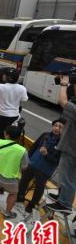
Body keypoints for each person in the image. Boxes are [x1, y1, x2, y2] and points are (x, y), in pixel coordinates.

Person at [18, 119, 65, 213]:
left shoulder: (63, 144)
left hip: (45, 170)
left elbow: (57, 161)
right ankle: (20, 196)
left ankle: (32, 204)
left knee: (39, 187)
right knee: (24, 180)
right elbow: (34, 147)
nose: (57, 128)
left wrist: (47, 155)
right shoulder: (45, 135)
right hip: (33, 163)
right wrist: (27, 160)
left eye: (60, 127)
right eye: (55, 125)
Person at [46, 75, 75, 214]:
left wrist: (64, 84)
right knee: (70, 177)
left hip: (72, 149)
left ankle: (64, 203)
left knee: (66, 177)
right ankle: (63, 198)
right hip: (72, 148)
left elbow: (62, 101)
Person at [0, 68, 28, 138]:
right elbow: (24, 99)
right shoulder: (22, 88)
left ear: (8, 77)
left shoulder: (1, 87)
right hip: (14, 115)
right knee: (9, 133)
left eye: (4, 75)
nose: (3, 76)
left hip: (1, 115)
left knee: (2, 131)